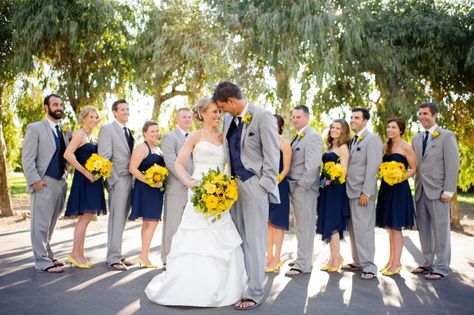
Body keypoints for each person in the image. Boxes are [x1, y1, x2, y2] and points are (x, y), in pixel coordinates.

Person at [145, 98, 247, 307]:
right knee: (194, 235)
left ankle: (222, 286)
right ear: (202, 114)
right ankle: (188, 288)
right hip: (198, 188)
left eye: (219, 112)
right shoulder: (194, 136)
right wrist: (187, 181)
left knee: (220, 234)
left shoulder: (224, 137)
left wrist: (226, 187)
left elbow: (231, 164)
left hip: (220, 191)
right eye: (214, 112)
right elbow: (179, 163)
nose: (218, 116)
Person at [213, 82, 279, 310]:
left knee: (255, 240)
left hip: (254, 186)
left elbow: (273, 155)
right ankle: (241, 286)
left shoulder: (263, 117)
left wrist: (263, 186)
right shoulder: (229, 120)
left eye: (223, 107)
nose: (222, 111)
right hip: (232, 188)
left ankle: (255, 292)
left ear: (231, 101)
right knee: (239, 239)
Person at [21, 94, 70, 273]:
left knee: (51, 221)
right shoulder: (35, 128)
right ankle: (41, 261)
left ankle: (47, 254)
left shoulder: (65, 130)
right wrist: (35, 181)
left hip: (60, 181)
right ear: (46, 107)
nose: (59, 108)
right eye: (55, 104)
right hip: (43, 181)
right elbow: (27, 158)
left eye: (61, 105)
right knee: (40, 223)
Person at [410, 102, 459, 280]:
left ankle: (442, 267)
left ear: (435, 115)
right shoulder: (416, 139)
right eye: (420, 114)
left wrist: (449, 190)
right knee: (424, 230)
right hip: (420, 190)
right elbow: (415, 165)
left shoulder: (446, 136)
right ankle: (427, 263)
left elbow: (453, 165)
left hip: (439, 191)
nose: (422, 117)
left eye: (426, 114)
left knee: (440, 231)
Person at [342, 107, 383, 280]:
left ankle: (369, 265)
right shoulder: (352, 141)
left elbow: (372, 167)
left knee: (364, 228)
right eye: (351, 117)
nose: (352, 120)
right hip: (349, 190)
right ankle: (358, 261)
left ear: (365, 121)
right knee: (353, 228)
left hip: (362, 192)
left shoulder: (373, 139)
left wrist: (366, 191)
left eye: (356, 118)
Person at [64, 105, 106, 268]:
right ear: (83, 118)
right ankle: (75, 254)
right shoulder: (80, 134)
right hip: (83, 180)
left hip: (93, 181)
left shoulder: (92, 137)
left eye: (97, 117)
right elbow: (67, 154)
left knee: (86, 218)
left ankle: (80, 254)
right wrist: (85, 172)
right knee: (84, 218)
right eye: (91, 117)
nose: (95, 120)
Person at [286, 105, 323, 276]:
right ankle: (302, 257)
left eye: (298, 117)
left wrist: (303, 185)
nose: (295, 120)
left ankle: (304, 264)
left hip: (304, 189)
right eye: (293, 117)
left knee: (305, 226)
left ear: (307, 117)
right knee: (299, 226)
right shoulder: (298, 137)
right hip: (294, 187)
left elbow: (313, 165)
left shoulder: (313, 137)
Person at [375, 118, 416, 276]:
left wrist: (400, 177)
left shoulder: (407, 146)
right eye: (388, 127)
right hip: (386, 188)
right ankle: (390, 261)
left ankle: (397, 263)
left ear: (401, 130)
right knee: (390, 228)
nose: (390, 130)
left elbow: (413, 168)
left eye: (394, 127)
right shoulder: (385, 146)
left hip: (399, 189)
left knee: (396, 227)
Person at [98, 99, 134, 270]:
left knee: (122, 220)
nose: (126, 112)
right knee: (116, 219)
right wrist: (114, 181)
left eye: (127, 109)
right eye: (122, 109)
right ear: (114, 112)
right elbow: (104, 158)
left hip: (130, 180)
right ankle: (112, 258)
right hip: (118, 180)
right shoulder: (107, 129)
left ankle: (117, 253)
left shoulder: (128, 131)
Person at [128, 121, 166, 268]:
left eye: (157, 131)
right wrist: (149, 181)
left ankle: (143, 255)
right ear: (144, 133)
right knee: (152, 222)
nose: (155, 134)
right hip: (146, 189)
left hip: (156, 190)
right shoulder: (142, 147)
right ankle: (144, 256)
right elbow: (132, 168)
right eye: (152, 131)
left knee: (148, 223)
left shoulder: (158, 148)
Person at [160, 108, 193, 269]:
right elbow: (171, 161)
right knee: (172, 225)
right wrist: (187, 178)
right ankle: (167, 259)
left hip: (194, 188)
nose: (187, 119)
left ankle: (183, 258)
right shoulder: (170, 136)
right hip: (176, 187)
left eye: (189, 117)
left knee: (189, 225)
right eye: (184, 117)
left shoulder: (195, 137)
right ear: (177, 119)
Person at [316, 119, 350, 272]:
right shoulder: (329, 146)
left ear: (343, 131)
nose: (334, 130)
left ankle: (337, 258)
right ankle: (333, 257)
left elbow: (344, 170)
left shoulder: (343, 148)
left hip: (336, 189)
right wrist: (323, 181)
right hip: (326, 188)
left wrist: (332, 178)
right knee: (327, 222)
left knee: (333, 223)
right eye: (333, 127)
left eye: (338, 128)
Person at [265, 114, 292, 273]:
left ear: (280, 126)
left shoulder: (284, 144)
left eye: (274, 123)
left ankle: (277, 258)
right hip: (266, 186)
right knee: (268, 223)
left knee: (278, 223)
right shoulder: (265, 143)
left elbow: (286, 168)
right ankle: (269, 256)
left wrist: (275, 181)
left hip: (279, 186)